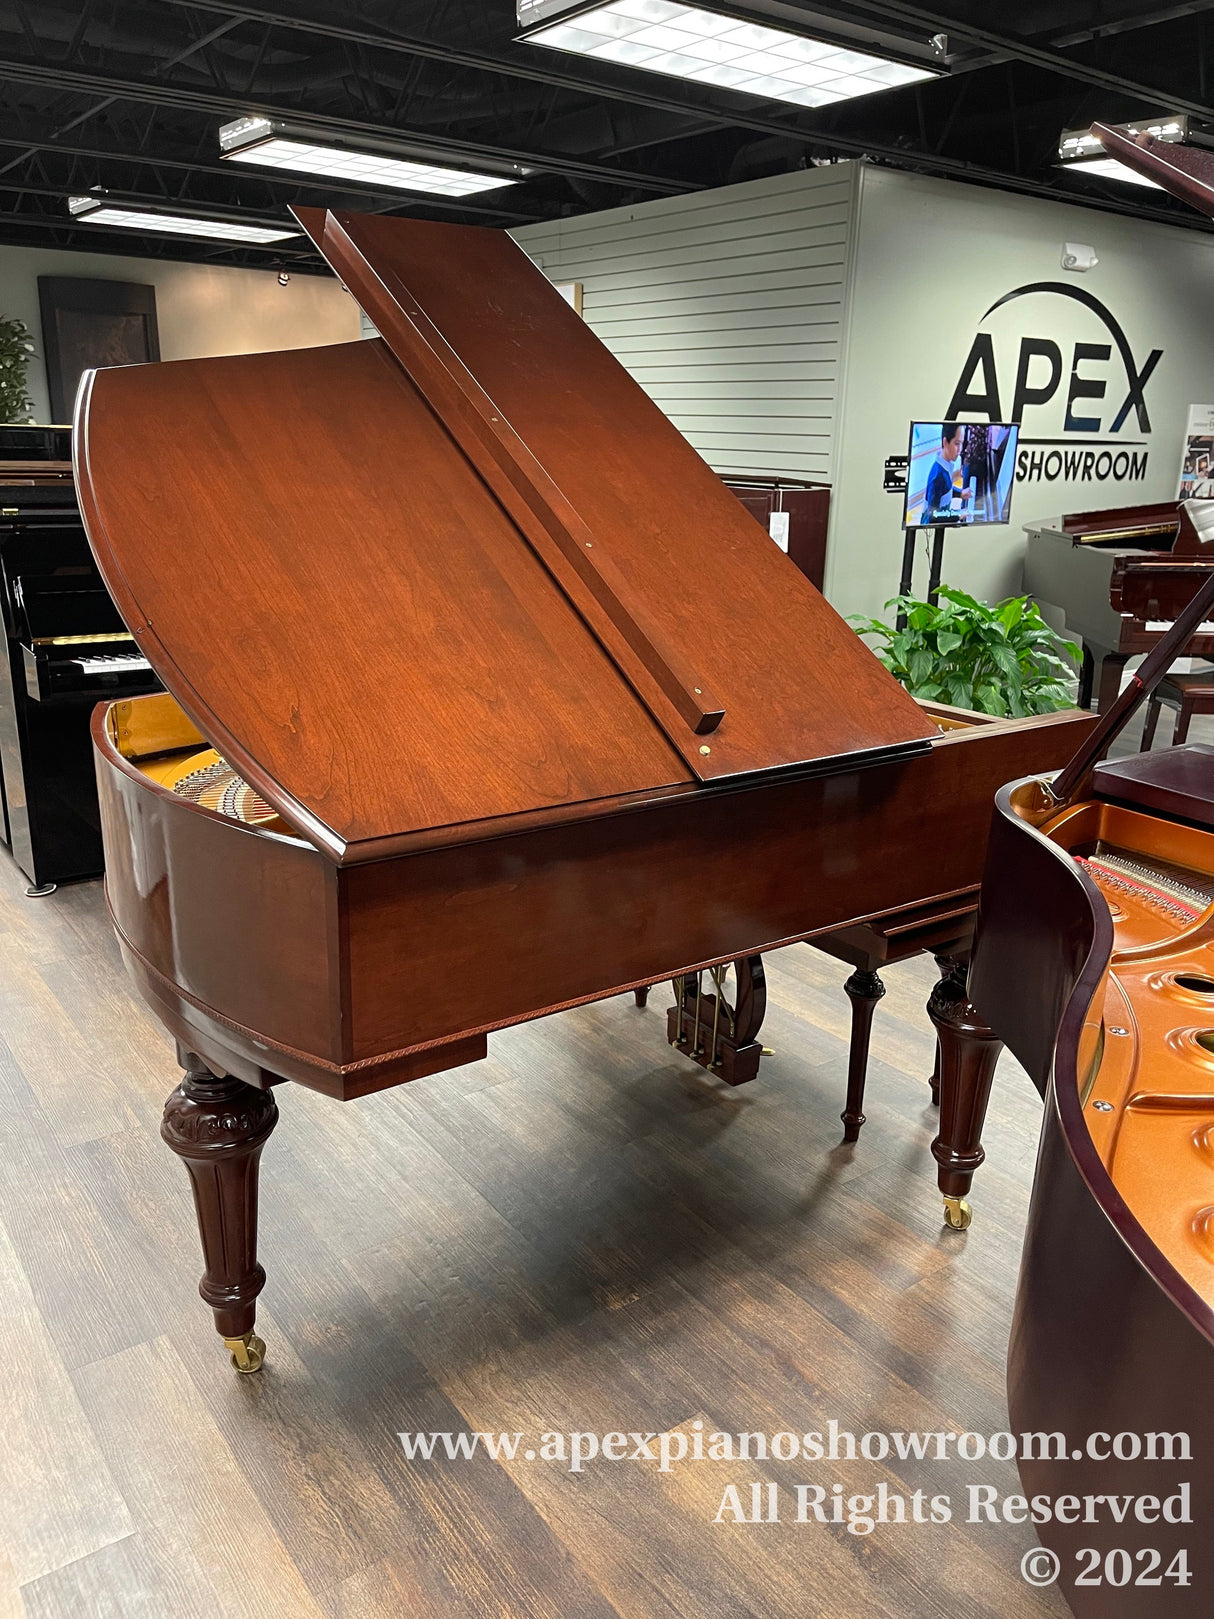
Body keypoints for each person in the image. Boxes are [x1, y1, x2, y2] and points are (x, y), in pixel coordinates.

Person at [923, 422, 967, 522]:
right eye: (956, 443)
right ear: (945, 442)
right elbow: (933, 516)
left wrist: (960, 493)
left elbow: (946, 489)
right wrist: (957, 515)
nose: (960, 449)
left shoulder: (945, 465)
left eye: (961, 443)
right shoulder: (938, 476)